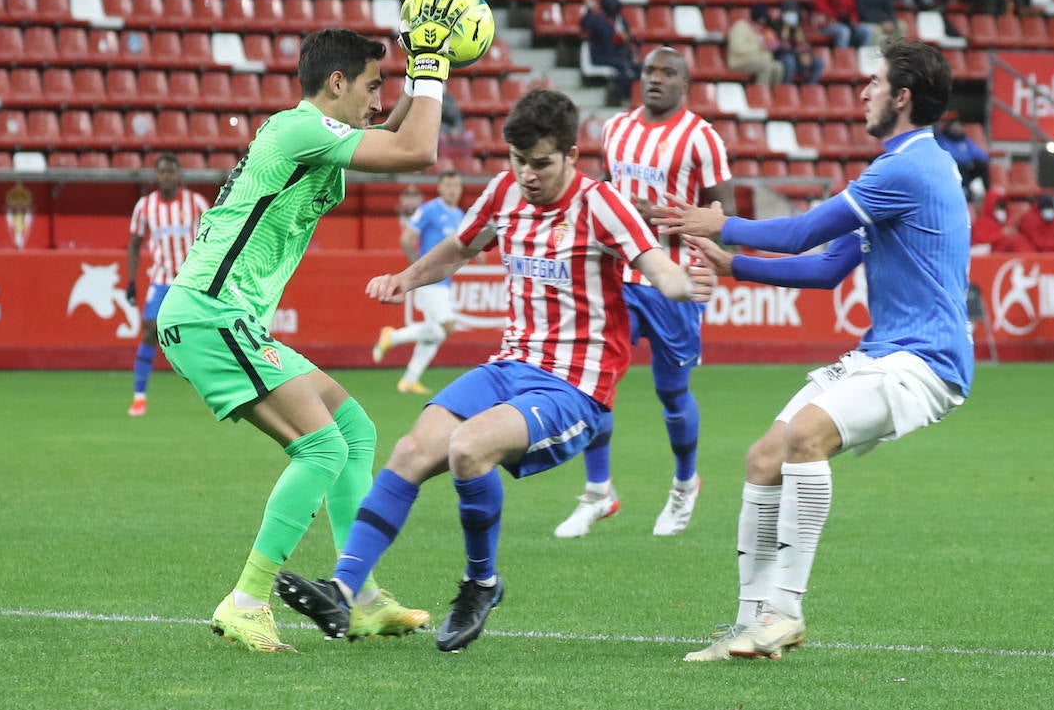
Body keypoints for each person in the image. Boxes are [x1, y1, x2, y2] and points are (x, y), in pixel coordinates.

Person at [273, 88, 715, 653]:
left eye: (540, 164)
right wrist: (403, 279)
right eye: (517, 160)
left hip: (574, 384)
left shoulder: (602, 204)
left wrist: (688, 285)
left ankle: (480, 584)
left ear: (572, 157)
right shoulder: (504, 193)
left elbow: (658, 268)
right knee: (410, 451)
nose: (527, 175)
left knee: (466, 449)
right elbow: (459, 249)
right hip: (510, 365)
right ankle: (342, 588)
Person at [155, 0, 467, 652]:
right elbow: (416, 150)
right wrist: (434, 66)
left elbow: (395, 130)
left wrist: (415, 75)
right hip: (213, 314)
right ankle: (246, 598)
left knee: (354, 428)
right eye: (373, 86)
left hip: (224, 317)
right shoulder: (299, 132)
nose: (382, 100)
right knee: (321, 447)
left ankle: (360, 594)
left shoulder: (307, 134)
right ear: (336, 84)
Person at [655, 38, 972, 661]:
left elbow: (803, 231)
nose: (864, 91)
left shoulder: (906, 168)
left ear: (902, 97)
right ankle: (750, 624)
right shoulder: (908, 170)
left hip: (924, 361)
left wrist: (718, 223)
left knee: (804, 438)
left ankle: (785, 612)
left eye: (875, 82)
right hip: (885, 351)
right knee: (765, 457)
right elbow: (827, 267)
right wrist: (735, 263)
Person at [554, 47, 734, 539]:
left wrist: (654, 216)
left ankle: (684, 483)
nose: (655, 79)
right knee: (594, 383)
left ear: (685, 85)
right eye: (649, 71)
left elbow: (725, 220)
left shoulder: (703, 139)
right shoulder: (616, 130)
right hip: (620, 278)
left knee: (672, 395)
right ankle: (598, 492)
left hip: (675, 284)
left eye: (667, 73)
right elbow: (606, 199)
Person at [124, 152, 210, 416]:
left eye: (172, 171)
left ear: (179, 175)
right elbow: (135, 244)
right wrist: (130, 282)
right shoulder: (145, 206)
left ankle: (212, 391)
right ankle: (139, 396)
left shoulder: (195, 203)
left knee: (206, 334)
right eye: (162, 172)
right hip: (161, 279)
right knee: (151, 329)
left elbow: (213, 236)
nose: (167, 176)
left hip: (192, 279)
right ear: (156, 176)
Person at [372, 169, 466, 394]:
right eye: (448, 185)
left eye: (456, 186)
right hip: (430, 281)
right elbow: (406, 238)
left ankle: (409, 380)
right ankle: (392, 336)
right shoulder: (429, 210)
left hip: (444, 281)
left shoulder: (460, 215)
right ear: (440, 188)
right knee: (447, 328)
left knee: (435, 333)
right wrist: (418, 271)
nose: (453, 190)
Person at [581, 0, 640, 107]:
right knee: (623, 67)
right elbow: (584, 25)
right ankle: (623, 99)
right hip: (601, 56)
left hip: (619, 55)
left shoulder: (621, 20)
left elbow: (627, 39)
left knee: (640, 66)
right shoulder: (597, 20)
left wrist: (633, 54)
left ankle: (640, 99)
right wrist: (589, 10)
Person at [726, 3, 786, 87]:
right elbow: (737, 48)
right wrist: (759, 47)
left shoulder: (763, 30)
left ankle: (772, 95)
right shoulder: (740, 26)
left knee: (779, 67)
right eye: (760, 20)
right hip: (739, 61)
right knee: (766, 66)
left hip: (758, 60)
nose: (761, 23)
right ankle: (761, 95)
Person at [935, 113, 989, 200]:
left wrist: (971, 162)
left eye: (959, 126)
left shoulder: (965, 141)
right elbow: (952, 156)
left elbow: (981, 154)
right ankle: (966, 193)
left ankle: (987, 193)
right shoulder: (944, 140)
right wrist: (969, 161)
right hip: (954, 171)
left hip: (969, 168)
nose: (958, 128)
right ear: (949, 127)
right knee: (960, 166)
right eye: (955, 126)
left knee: (982, 164)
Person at [971, 187, 1033, 254]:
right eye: (998, 206)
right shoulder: (982, 223)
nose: (1001, 210)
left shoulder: (1007, 222)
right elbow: (981, 244)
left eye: (1003, 206)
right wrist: (1002, 233)